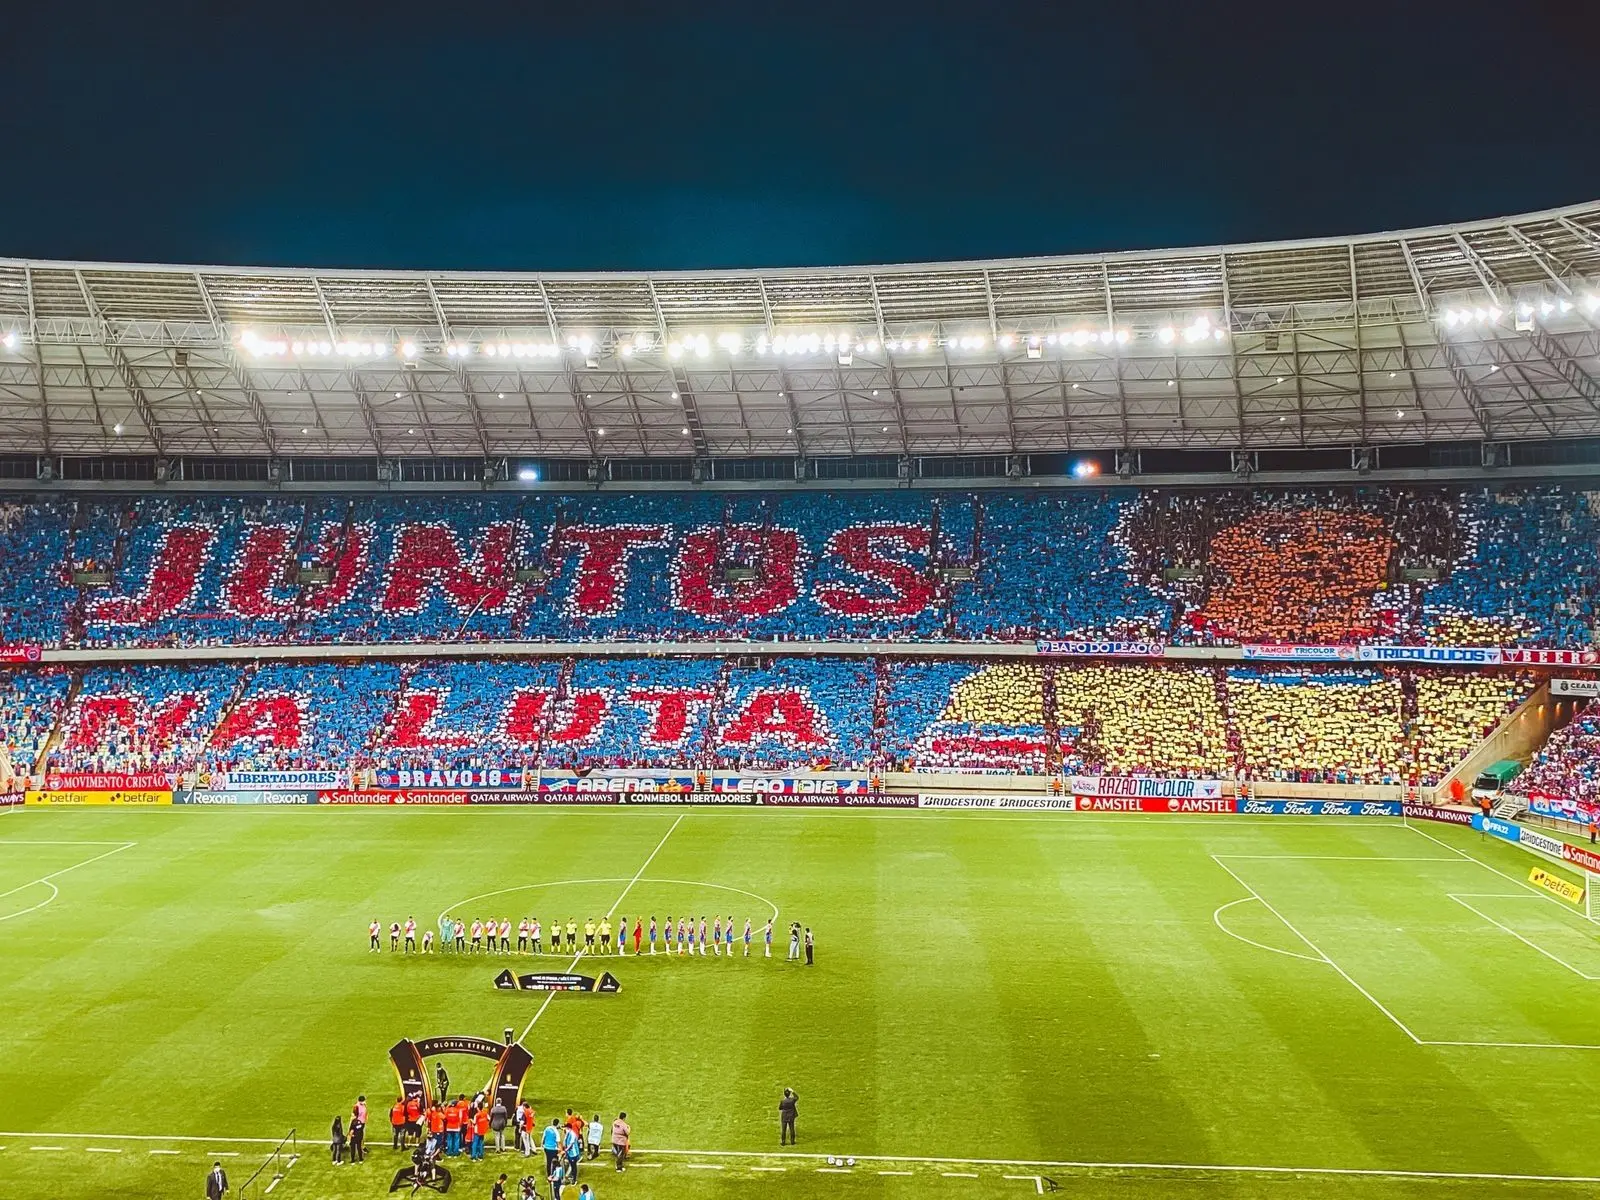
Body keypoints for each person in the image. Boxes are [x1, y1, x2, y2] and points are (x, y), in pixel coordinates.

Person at [350, 1095, 368, 1162]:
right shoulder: (356, 1107)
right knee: (359, 1136)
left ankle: (362, 1146)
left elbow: (365, 1112)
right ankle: (361, 1147)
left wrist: (366, 1118)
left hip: (362, 1122)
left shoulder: (364, 1105)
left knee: (361, 1135)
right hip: (358, 1124)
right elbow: (354, 1116)